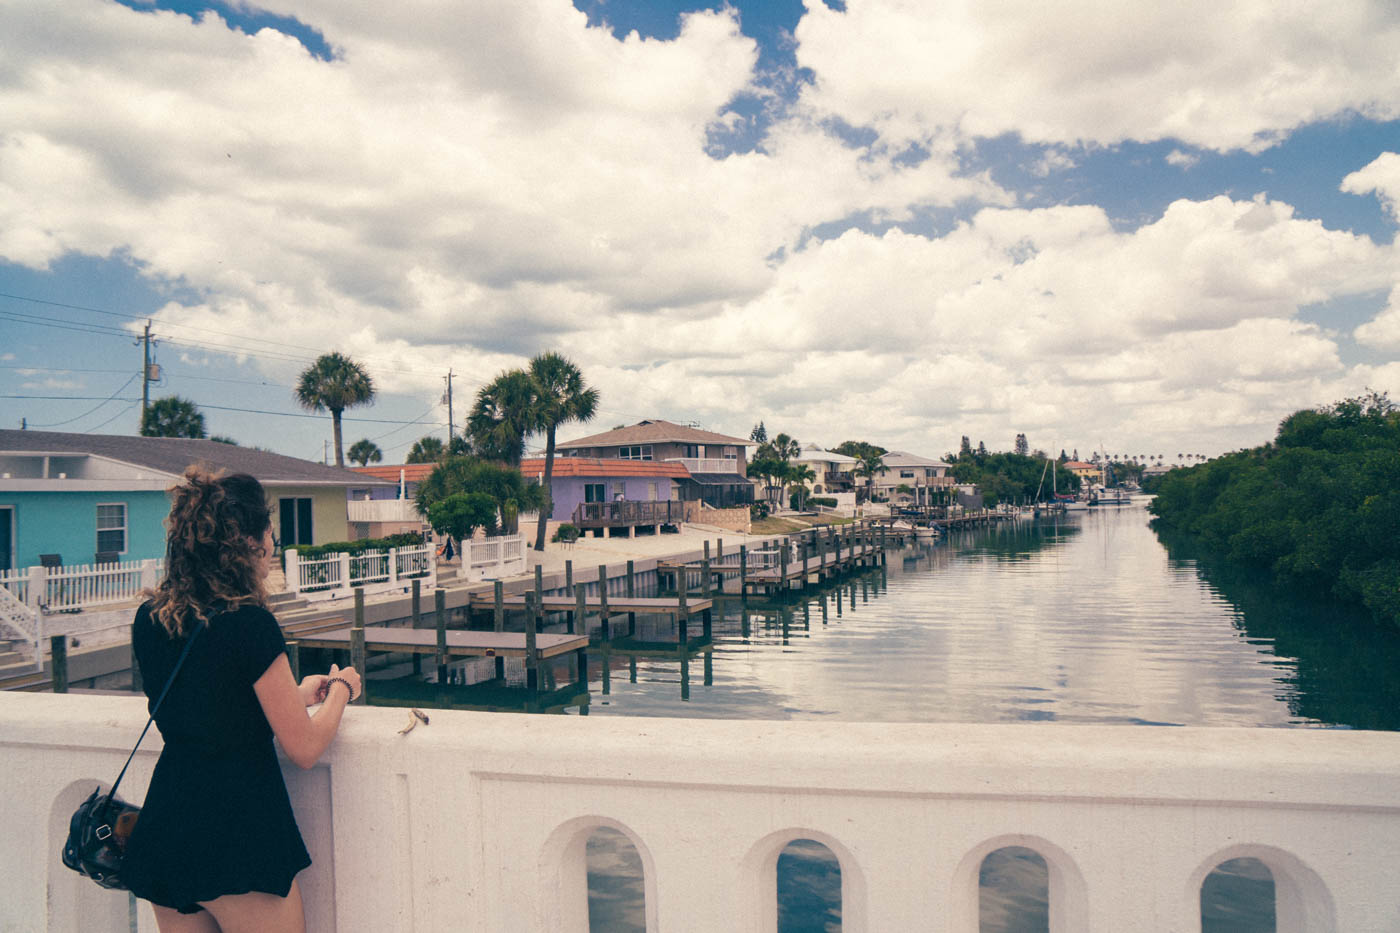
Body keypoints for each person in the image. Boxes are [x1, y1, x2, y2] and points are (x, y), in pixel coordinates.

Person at [123, 467, 361, 932]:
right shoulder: (249, 623)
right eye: (269, 531)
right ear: (252, 541)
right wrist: (342, 692)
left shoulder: (149, 619)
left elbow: (209, 709)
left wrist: (292, 696)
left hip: (168, 826)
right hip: (238, 830)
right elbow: (305, 748)